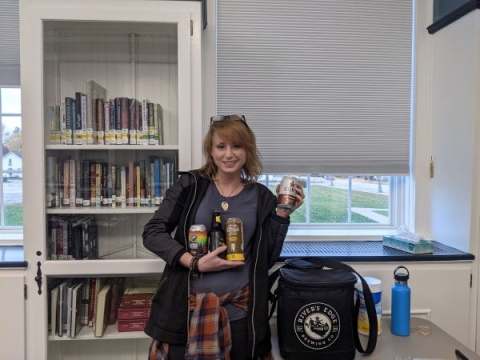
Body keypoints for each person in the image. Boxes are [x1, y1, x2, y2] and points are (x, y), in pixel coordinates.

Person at [143, 114, 305, 360]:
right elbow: (153, 232)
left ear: (247, 150)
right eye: (221, 146)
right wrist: (194, 262)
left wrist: (282, 214)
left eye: (237, 146)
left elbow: (266, 259)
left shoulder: (262, 197)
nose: (229, 154)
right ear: (211, 150)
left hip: (241, 314)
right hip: (185, 312)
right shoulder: (190, 185)